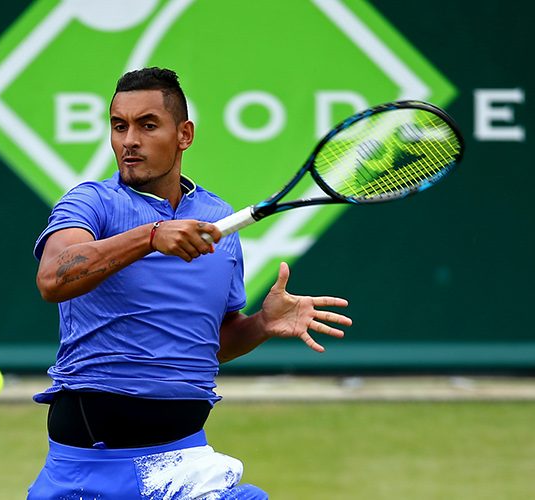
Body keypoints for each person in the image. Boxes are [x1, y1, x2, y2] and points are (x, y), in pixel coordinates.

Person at [27, 67, 352, 499]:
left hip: (186, 464)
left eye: (147, 125)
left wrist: (260, 325)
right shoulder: (93, 202)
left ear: (184, 135)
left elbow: (208, 344)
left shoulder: (217, 218)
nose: (129, 141)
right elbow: (53, 278)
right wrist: (150, 235)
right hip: (91, 467)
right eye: (119, 126)